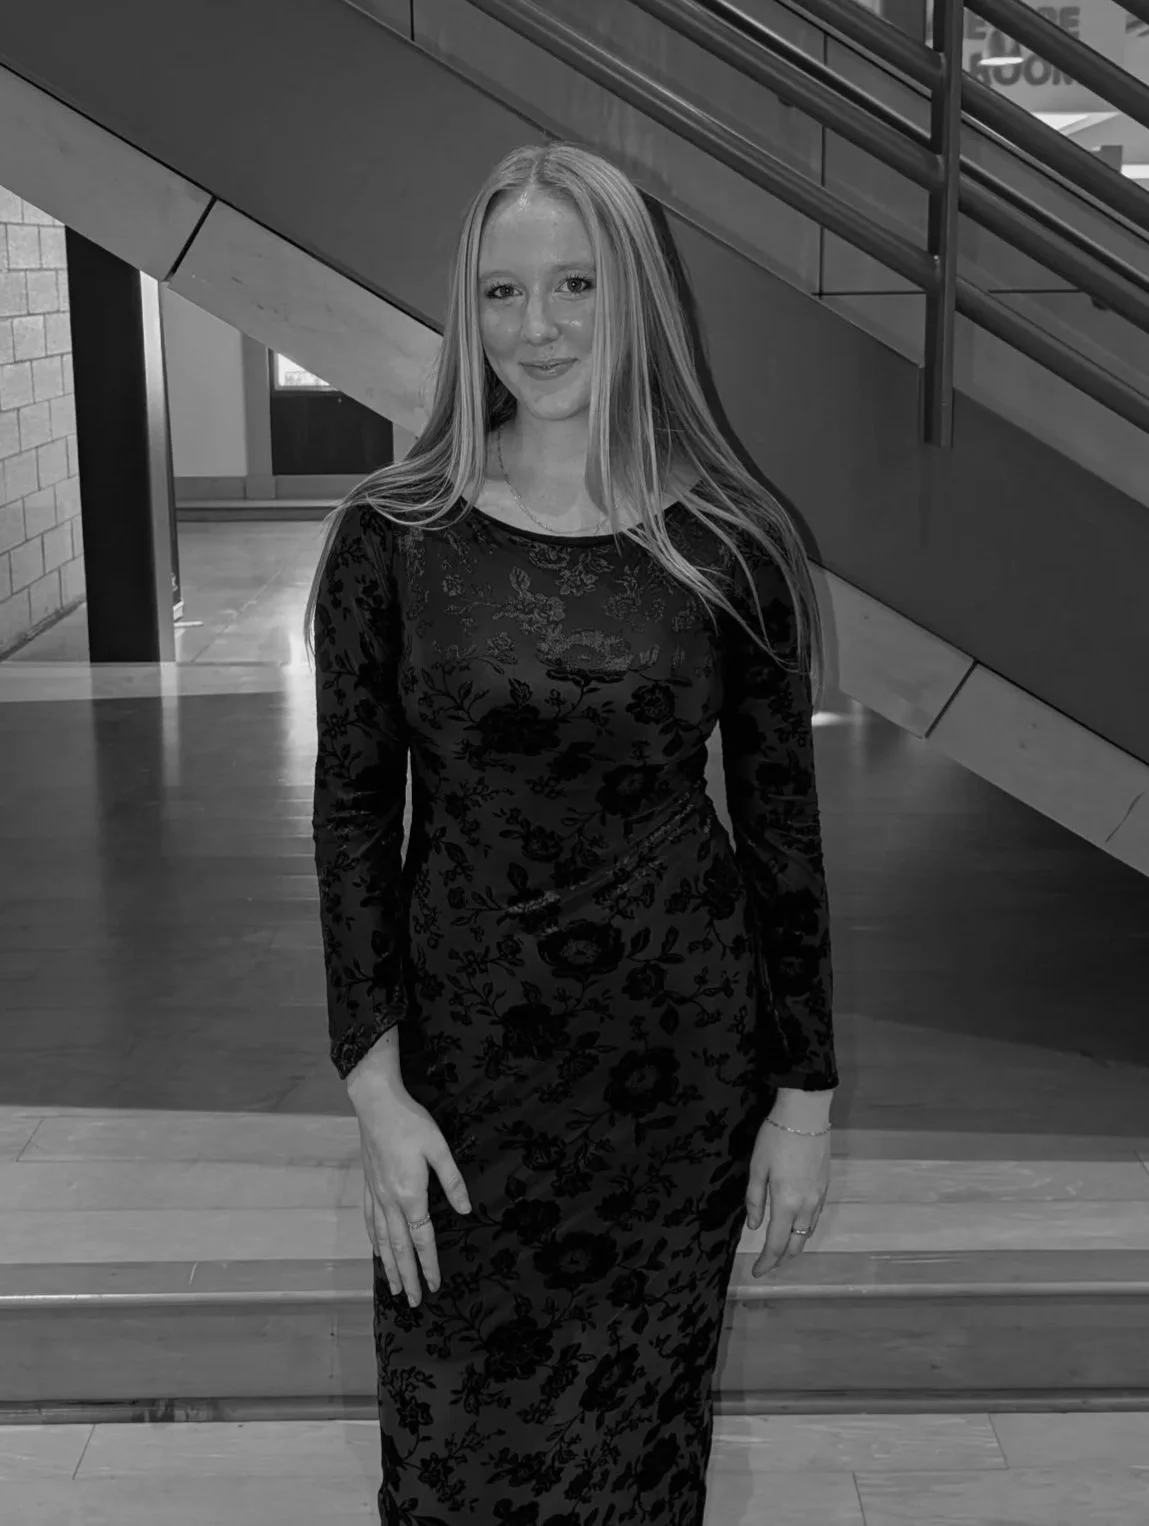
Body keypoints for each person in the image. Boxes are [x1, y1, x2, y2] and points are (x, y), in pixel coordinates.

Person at [307, 140, 838, 1526]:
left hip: (677, 1072)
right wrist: (374, 1092)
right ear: (467, 308)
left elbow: (781, 830)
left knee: (639, 1462)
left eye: (575, 284)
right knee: (451, 1458)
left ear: (634, 294)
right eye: (502, 291)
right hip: (462, 1072)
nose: (537, 326)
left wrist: (803, 1098)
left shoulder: (734, 540)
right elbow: (352, 821)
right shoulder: (391, 537)